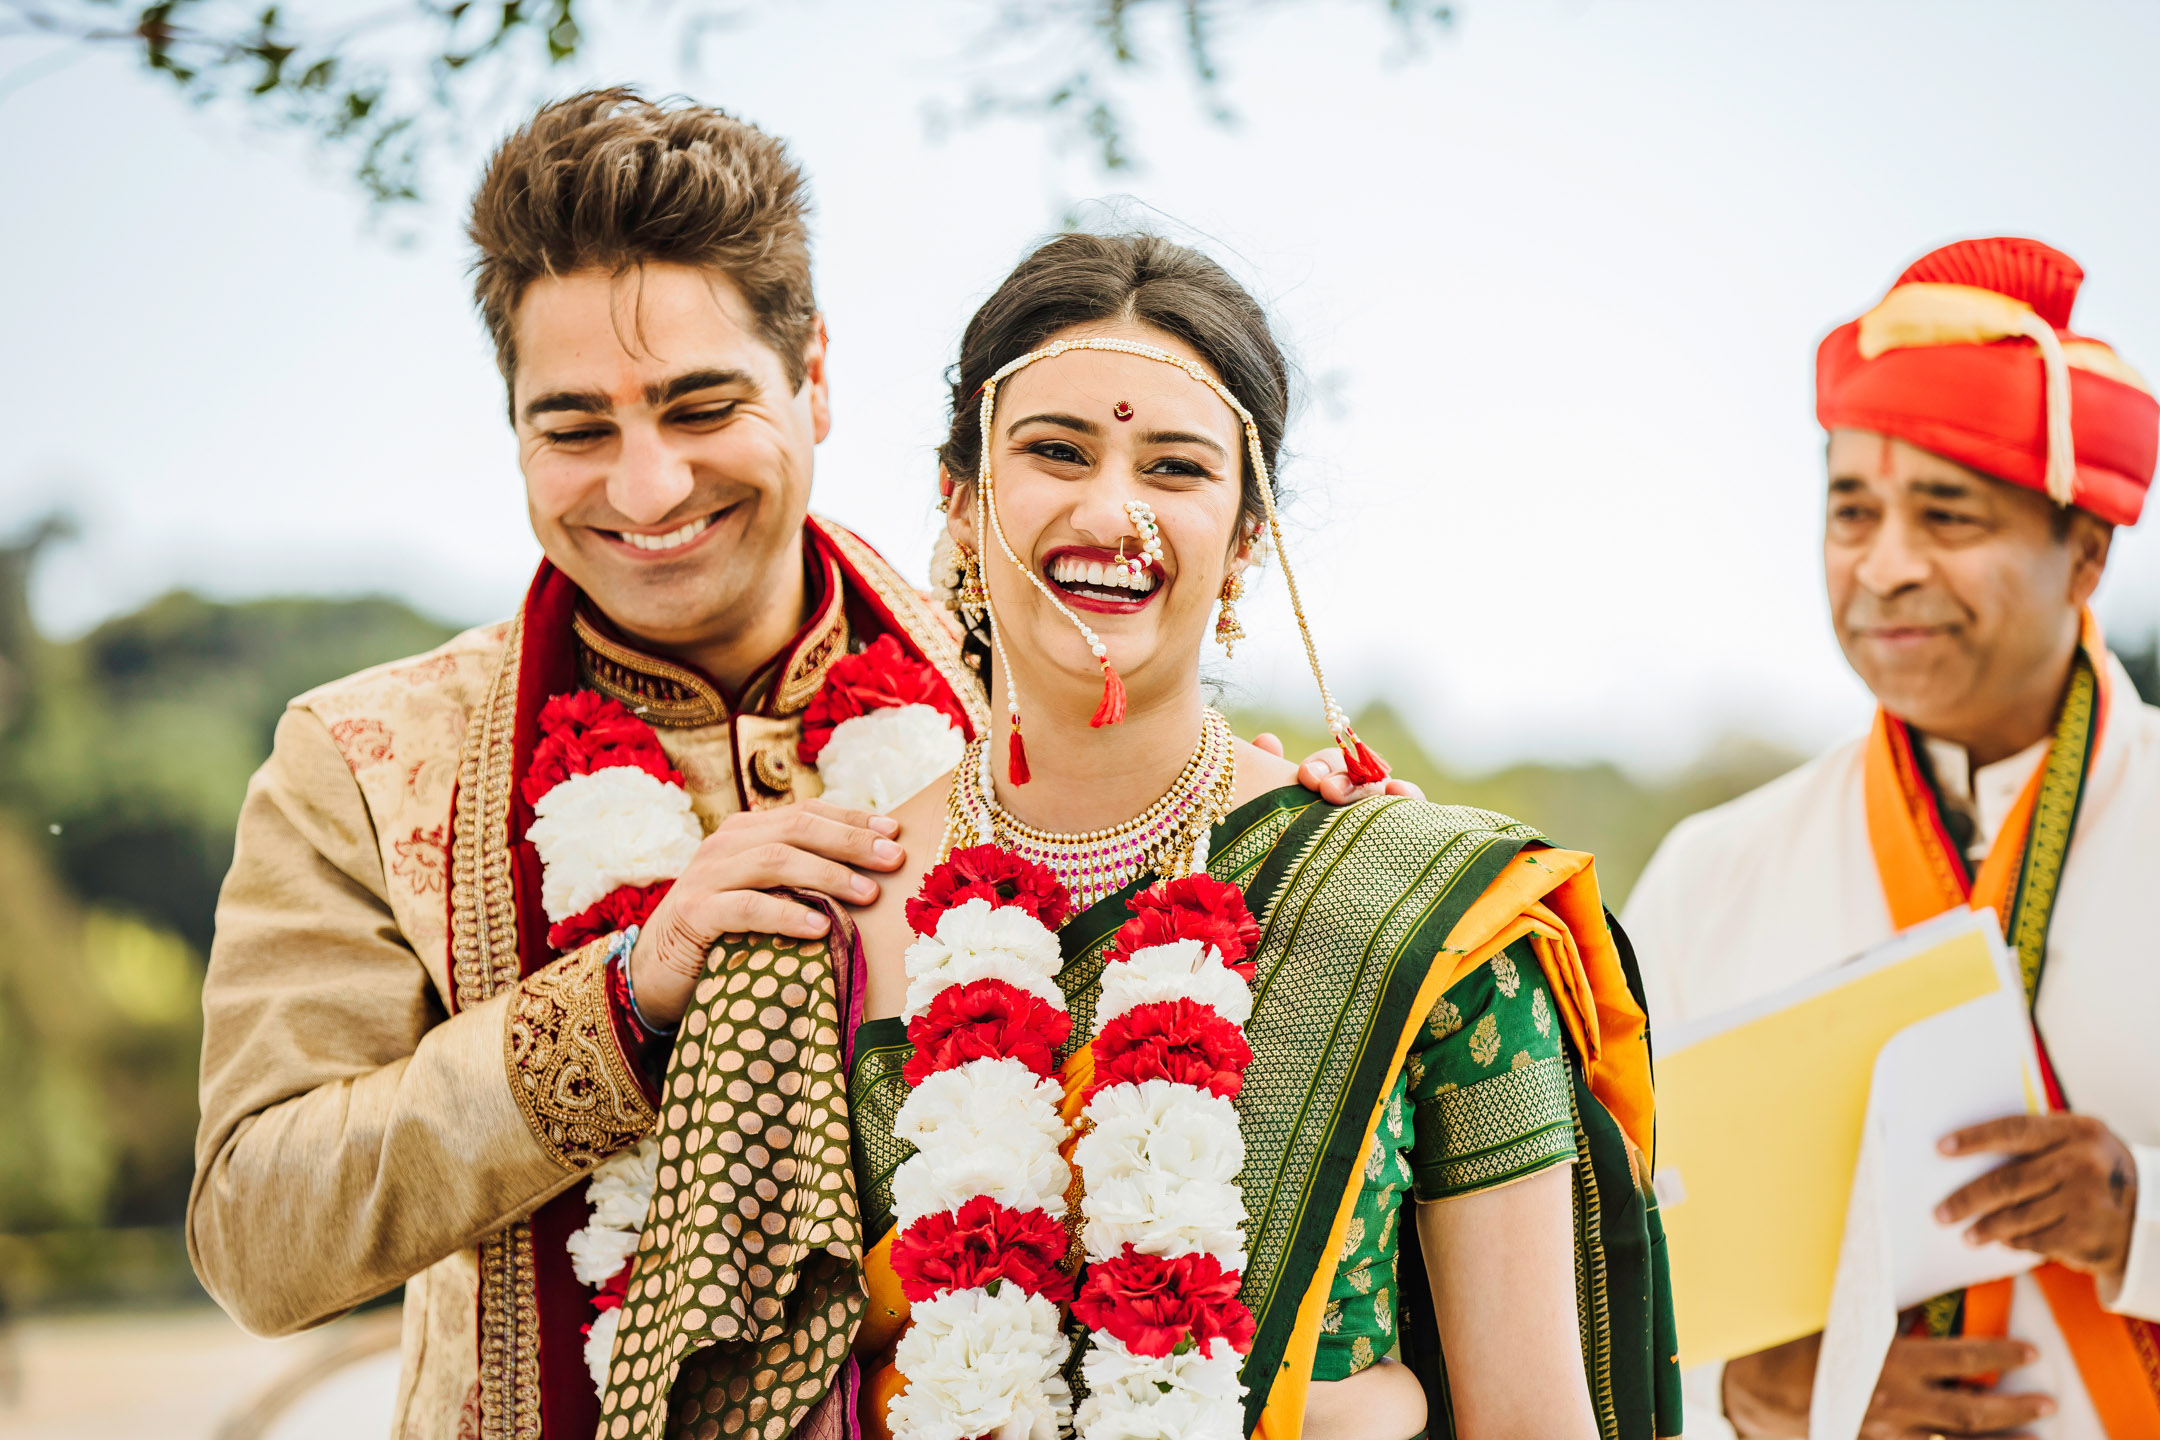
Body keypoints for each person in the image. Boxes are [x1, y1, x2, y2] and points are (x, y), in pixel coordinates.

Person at [184, 91, 1391, 1440]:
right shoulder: (366, 763)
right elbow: (255, 1234)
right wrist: (626, 1001)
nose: (645, 488)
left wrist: (1314, 851)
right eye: (576, 428)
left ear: (815, 376)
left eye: (701, 407)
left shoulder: (1019, 685)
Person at [600, 232, 1682, 1440]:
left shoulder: (1420, 919)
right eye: (1056, 451)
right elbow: (725, 1410)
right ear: (961, 500)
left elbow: (1534, 1425)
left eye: (1176, 468)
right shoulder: (814, 926)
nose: (1114, 512)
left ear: (1248, 531)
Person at [1625, 236, 2160, 1440]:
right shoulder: (1716, 870)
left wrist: (2139, 1216)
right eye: (1851, 512)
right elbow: (1588, 1237)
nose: (1886, 567)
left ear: (2086, 551)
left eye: (1949, 515)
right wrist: (1738, 1388)